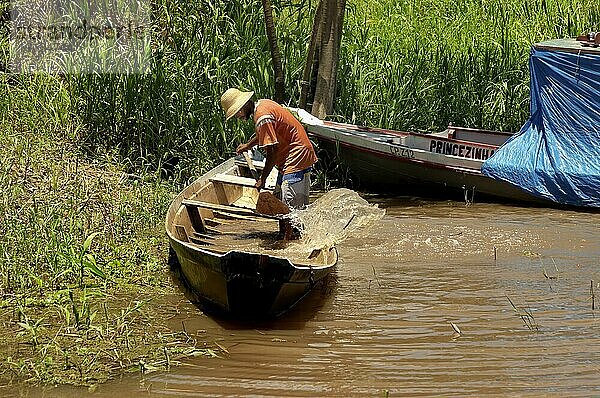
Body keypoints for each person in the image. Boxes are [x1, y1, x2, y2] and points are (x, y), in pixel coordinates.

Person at [220, 88, 317, 209]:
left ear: (244, 105)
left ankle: (295, 227)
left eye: (237, 113)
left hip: (296, 156)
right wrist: (248, 145)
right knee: (280, 199)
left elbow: (272, 152)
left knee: (291, 210)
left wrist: (263, 178)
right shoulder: (263, 104)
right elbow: (266, 133)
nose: (238, 116)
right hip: (296, 154)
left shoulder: (262, 117)